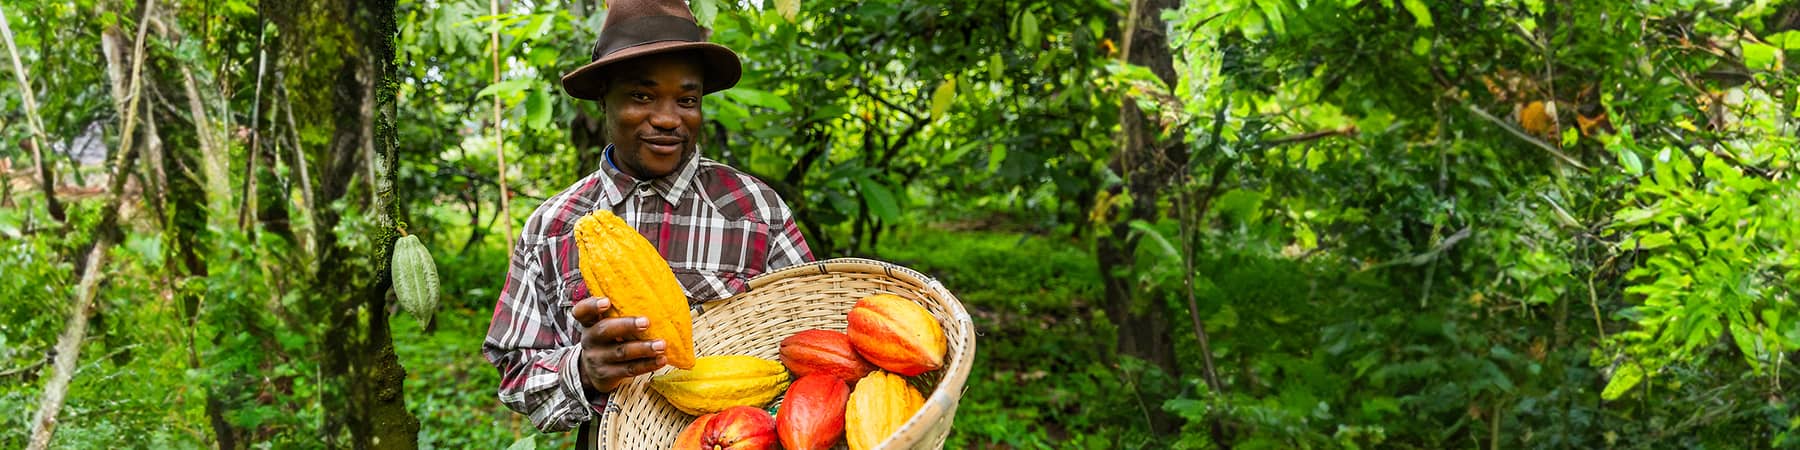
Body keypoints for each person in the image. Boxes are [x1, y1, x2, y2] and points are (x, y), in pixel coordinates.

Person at [481, 0, 813, 446]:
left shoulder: (754, 210)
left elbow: (813, 341)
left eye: (687, 100)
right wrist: (583, 370)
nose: (668, 118)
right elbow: (516, 372)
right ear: (604, 98)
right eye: (642, 96)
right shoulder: (553, 226)